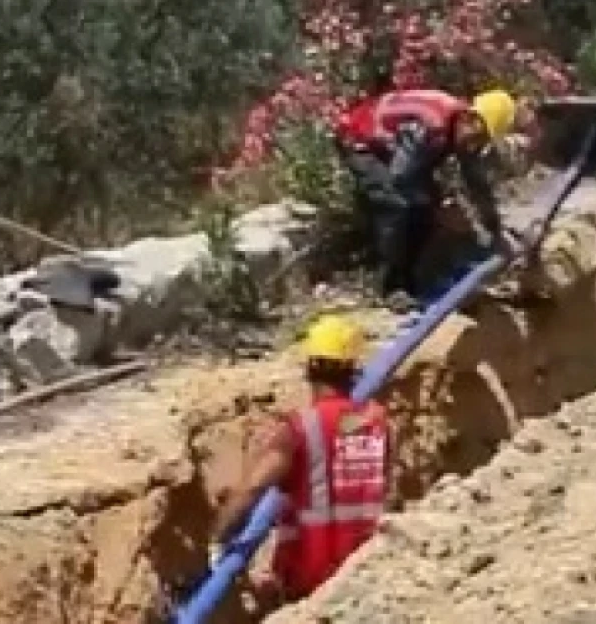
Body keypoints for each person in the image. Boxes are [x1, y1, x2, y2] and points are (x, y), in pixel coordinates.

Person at [208, 313, 391, 603]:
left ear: (311, 367)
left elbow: (251, 490)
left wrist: (217, 538)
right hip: (361, 572)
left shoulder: (302, 427)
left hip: (311, 576)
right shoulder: (376, 420)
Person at [333, 87, 522, 310]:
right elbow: (400, 177)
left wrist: (495, 230)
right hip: (358, 140)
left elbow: (476, 182)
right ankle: (391, 288)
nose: (475, 145)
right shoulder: (432, 125)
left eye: (483, 141)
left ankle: (413, 282)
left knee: (423, 207)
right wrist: (438, 204)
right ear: (470, 118)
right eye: (477, 137)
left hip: (394, 150)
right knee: (396, 205)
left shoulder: (461, 129)